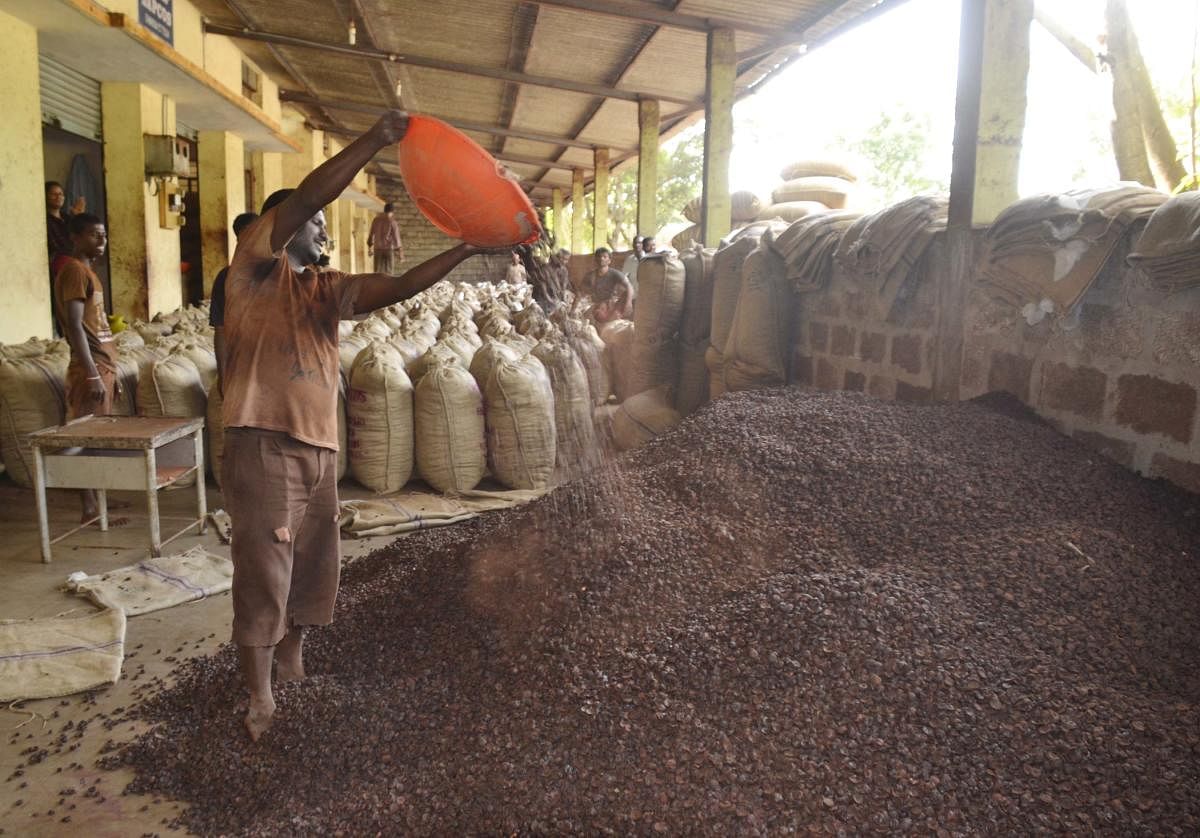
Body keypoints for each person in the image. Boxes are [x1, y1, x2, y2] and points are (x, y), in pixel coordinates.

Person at [221, 110, 494, 741]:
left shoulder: (323, 290)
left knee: (315, 563)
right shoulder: (254, 273)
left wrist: (465, 248)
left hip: (318, 452)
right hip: (265, 443)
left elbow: (397, 285)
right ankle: (259, 698)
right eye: (313, 225)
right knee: (266, 568)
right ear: (279, 229)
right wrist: (372, 138)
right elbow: (312, 194)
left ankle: (293, 669)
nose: (322, 231)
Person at [52, 213, 127, 527]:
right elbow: (74, 325)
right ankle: (89, 509)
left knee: (97, 438)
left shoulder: (88, 273)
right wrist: (93, 373)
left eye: (104, 235)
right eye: (95, 235)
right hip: (90, 368)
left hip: (102, 365)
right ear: (76, 236)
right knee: (85, 437)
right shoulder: (73, 270)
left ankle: (98, 502)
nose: (102, 241)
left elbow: (92, 325)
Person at [208, 212, 259, 390]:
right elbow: (221, 331)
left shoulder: (280, 273)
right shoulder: (226, 278)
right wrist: (223, 376)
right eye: (247, 236)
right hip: (244, 371)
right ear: (238, 240)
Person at [46, 181, 86, 281]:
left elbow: (82, 238)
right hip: (58, 265)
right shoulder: (45, 220)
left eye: (60, 194)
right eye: (53, 194)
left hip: (75, 263)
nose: (58, 197)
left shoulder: (68, 218)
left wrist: (78, 216)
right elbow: (57, 247)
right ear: (45, 196)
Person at [584, 247, 634, 323]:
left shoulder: (615, 274)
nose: (601, 259)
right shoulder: (590, 276)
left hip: (612, 305)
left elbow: (629, 286)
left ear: (609, 260)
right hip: (598, 306)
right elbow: (580, 292)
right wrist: (572, 310)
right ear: (595, 260)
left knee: (625, 297)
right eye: (599, 256)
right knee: (586, 318)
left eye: (604, 257)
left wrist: (629, 303)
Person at [367, 202, 403, 274]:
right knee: (389, 272)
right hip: (388, 249)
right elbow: (396, 238)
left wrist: (370, 249)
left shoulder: (376, 220)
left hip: (377, 249)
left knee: (376, 272)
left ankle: (376, 285)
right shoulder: (392, 222)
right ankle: (388, 285)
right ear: (392, 211)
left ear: (384, 210)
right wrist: (400, 254)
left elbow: (371, 235)